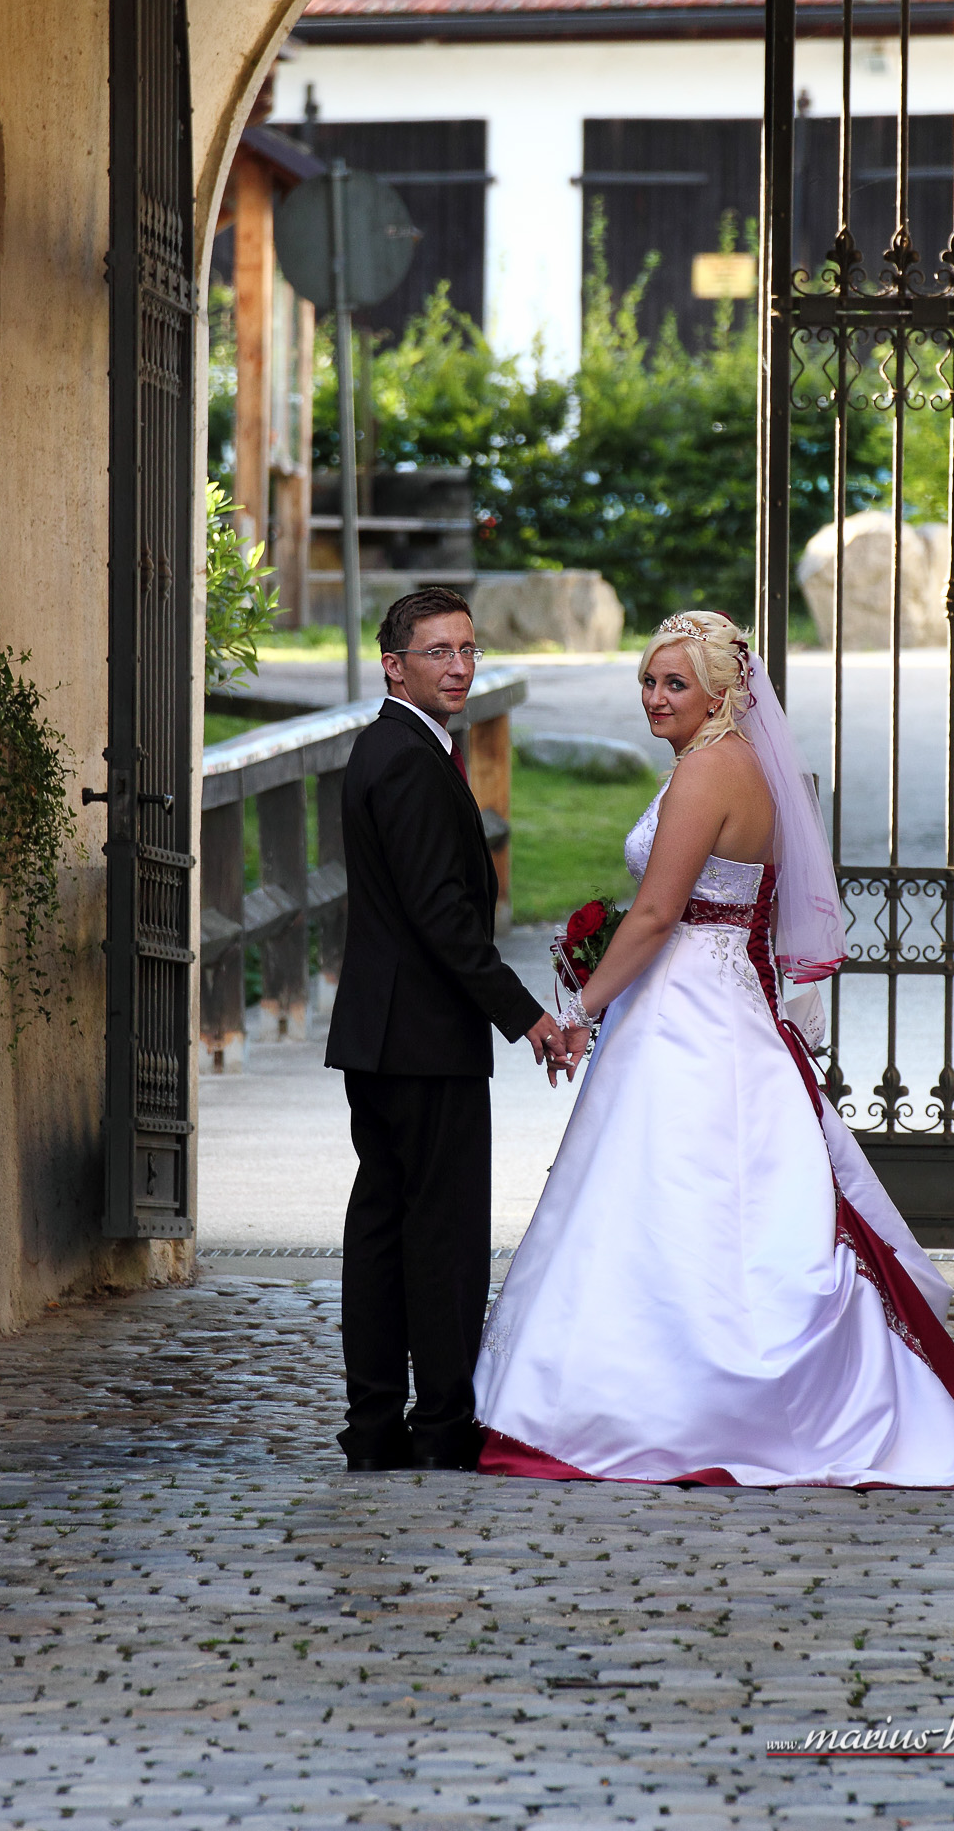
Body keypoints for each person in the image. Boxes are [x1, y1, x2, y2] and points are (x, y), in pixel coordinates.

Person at [473, 611, 954, 1490]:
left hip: (687, 1010)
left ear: (725, 691)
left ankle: (653, 1403)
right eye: (648, 679)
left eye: (676, 683)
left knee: (664, 1191)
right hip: (721, 999)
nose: (654, 697)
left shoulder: (708, 772)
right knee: (707, 1194)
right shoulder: (746, 767)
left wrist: (582, 1006)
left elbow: (659, 914)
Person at [324, 586, 569, 1473]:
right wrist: (526, 1016)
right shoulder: (405, 759)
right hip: (423, 1041)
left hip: (386, 1038)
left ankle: (377, 1427)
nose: (459, 666)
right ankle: (438, 1428)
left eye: (467, 650)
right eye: (437, 652)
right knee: (442, 1237)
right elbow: (441, 918)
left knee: (387, 1229)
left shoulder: (399, 749)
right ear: (394, 665)